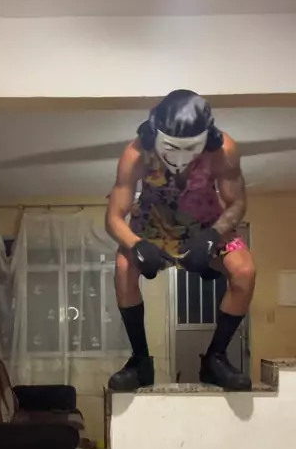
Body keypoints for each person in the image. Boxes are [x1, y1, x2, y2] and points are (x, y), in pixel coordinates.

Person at [105, 89, 255, 391]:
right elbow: (113, 218)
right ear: (155, 135)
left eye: (192, 148)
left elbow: (237, 203)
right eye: (172, 148)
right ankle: (140, 362)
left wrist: (212, 236)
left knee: (245, 271)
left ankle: (215, 359)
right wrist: (137, 245)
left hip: (207, 225)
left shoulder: (224, 150)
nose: (182, 157)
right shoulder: (135, 153)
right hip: (151, 226)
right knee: (123, 268)